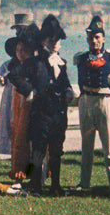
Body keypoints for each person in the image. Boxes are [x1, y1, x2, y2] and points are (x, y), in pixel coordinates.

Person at [9, 15, 74, 196]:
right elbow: (13, 75)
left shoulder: (62, 63)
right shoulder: (34, 62)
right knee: (38, 150)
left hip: (59, 114)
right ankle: (36, 185)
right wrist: (30, 91)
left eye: (57, 39)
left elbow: (65, 82)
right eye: (50, 39)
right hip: (41, 114)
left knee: (56, 150)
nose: (54, 42)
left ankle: (55, 186)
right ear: (43, 40)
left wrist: (68, 89)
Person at [73, 15, 110, 193]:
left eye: (97, 37)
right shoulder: (81, 58)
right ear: (87, 39)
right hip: (86, 100)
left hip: (106, 101)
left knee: (109, 144)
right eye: (91, 37)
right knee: (87, 145)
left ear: (103, 38)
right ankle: (84, 182)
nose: (94, 41)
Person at [5, 23, 39, 184]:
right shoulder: (14, 67)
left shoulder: (37, 66)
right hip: (19, 105)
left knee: (33, 140)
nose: (20, 54)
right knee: (19, 137)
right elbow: (13, 78)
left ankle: (33, 171)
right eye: (18, 50)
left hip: (34, 107)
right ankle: (19, 170)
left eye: (24, 50)